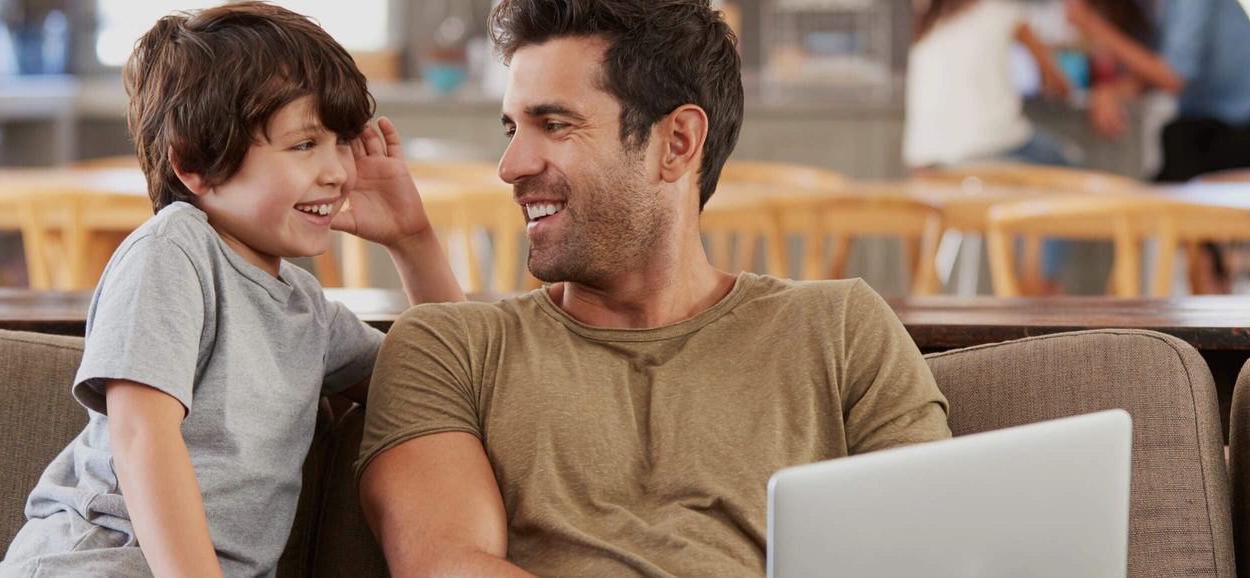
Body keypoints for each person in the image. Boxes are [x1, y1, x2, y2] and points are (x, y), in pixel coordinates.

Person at [355, 0, 952, 575]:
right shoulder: (448, 346)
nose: (510, 165)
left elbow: (930, 553)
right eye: (513, 127)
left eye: (554, 124)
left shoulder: (841, 328)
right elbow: (445, 566)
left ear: (677, 144)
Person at [0, 3, 464, 576]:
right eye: (304, 144)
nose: (339, 171)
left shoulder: (307, 310)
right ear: (195, 162)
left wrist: (412, 240)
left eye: (341, 141)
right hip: (100, 562)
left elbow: (444, 383)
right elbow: (142, 432)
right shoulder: (173, 252)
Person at [1068, 0, 1250, 182]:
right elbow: (1149, 75)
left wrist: (1095, 27)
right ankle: (1196, 254)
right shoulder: (1147, 8)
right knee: (1171, 152)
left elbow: (1173, 76)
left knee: (1175, 154)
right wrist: (1109, 92)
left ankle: (1195, 254)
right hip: (1222, 119)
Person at [905, 0, 1077, 169]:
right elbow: (1057, 83)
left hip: (925, 159)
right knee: (1074, 164)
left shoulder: (928, 24)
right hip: (994, 146)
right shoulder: (1003, 10)